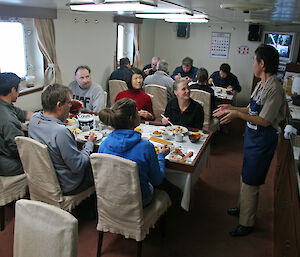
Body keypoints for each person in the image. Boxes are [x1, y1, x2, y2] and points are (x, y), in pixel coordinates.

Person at [213, 44, 286, 236]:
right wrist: (231, 109)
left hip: (263, 139)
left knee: (252, 180)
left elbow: (264, 120)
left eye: (254, 60)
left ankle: (247, 222)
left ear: (262, 63)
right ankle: (242, 207)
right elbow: (251, 108)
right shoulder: (262, 83)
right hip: (253, 137)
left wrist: (237, 116)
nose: (252, 64)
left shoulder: (275, 88)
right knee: (246, 175)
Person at [98, 98, 170, 207]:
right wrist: (161, 155)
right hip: (138, 200)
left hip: (111, 198)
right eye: (137, 111)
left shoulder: (104, 144)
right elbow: (157, 180)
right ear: (131, 118)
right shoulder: (146, 147)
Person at [29, 84, 97, 195]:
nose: (70, 106)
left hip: (42, 180)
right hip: (67, 184)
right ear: (59, 105)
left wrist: (69, 105)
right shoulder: (60, 132)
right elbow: (78, 166)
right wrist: (89, 143)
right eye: (69, 103)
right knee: (97, 168)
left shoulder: (34, 120)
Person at [0, 72, 33, 176]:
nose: (19, 92)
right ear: (13, 90)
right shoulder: (8, 119)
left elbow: (23, 114)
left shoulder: (5, 104)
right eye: (19, 89)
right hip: (7, 164)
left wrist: (46, 116)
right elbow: (19, 148)